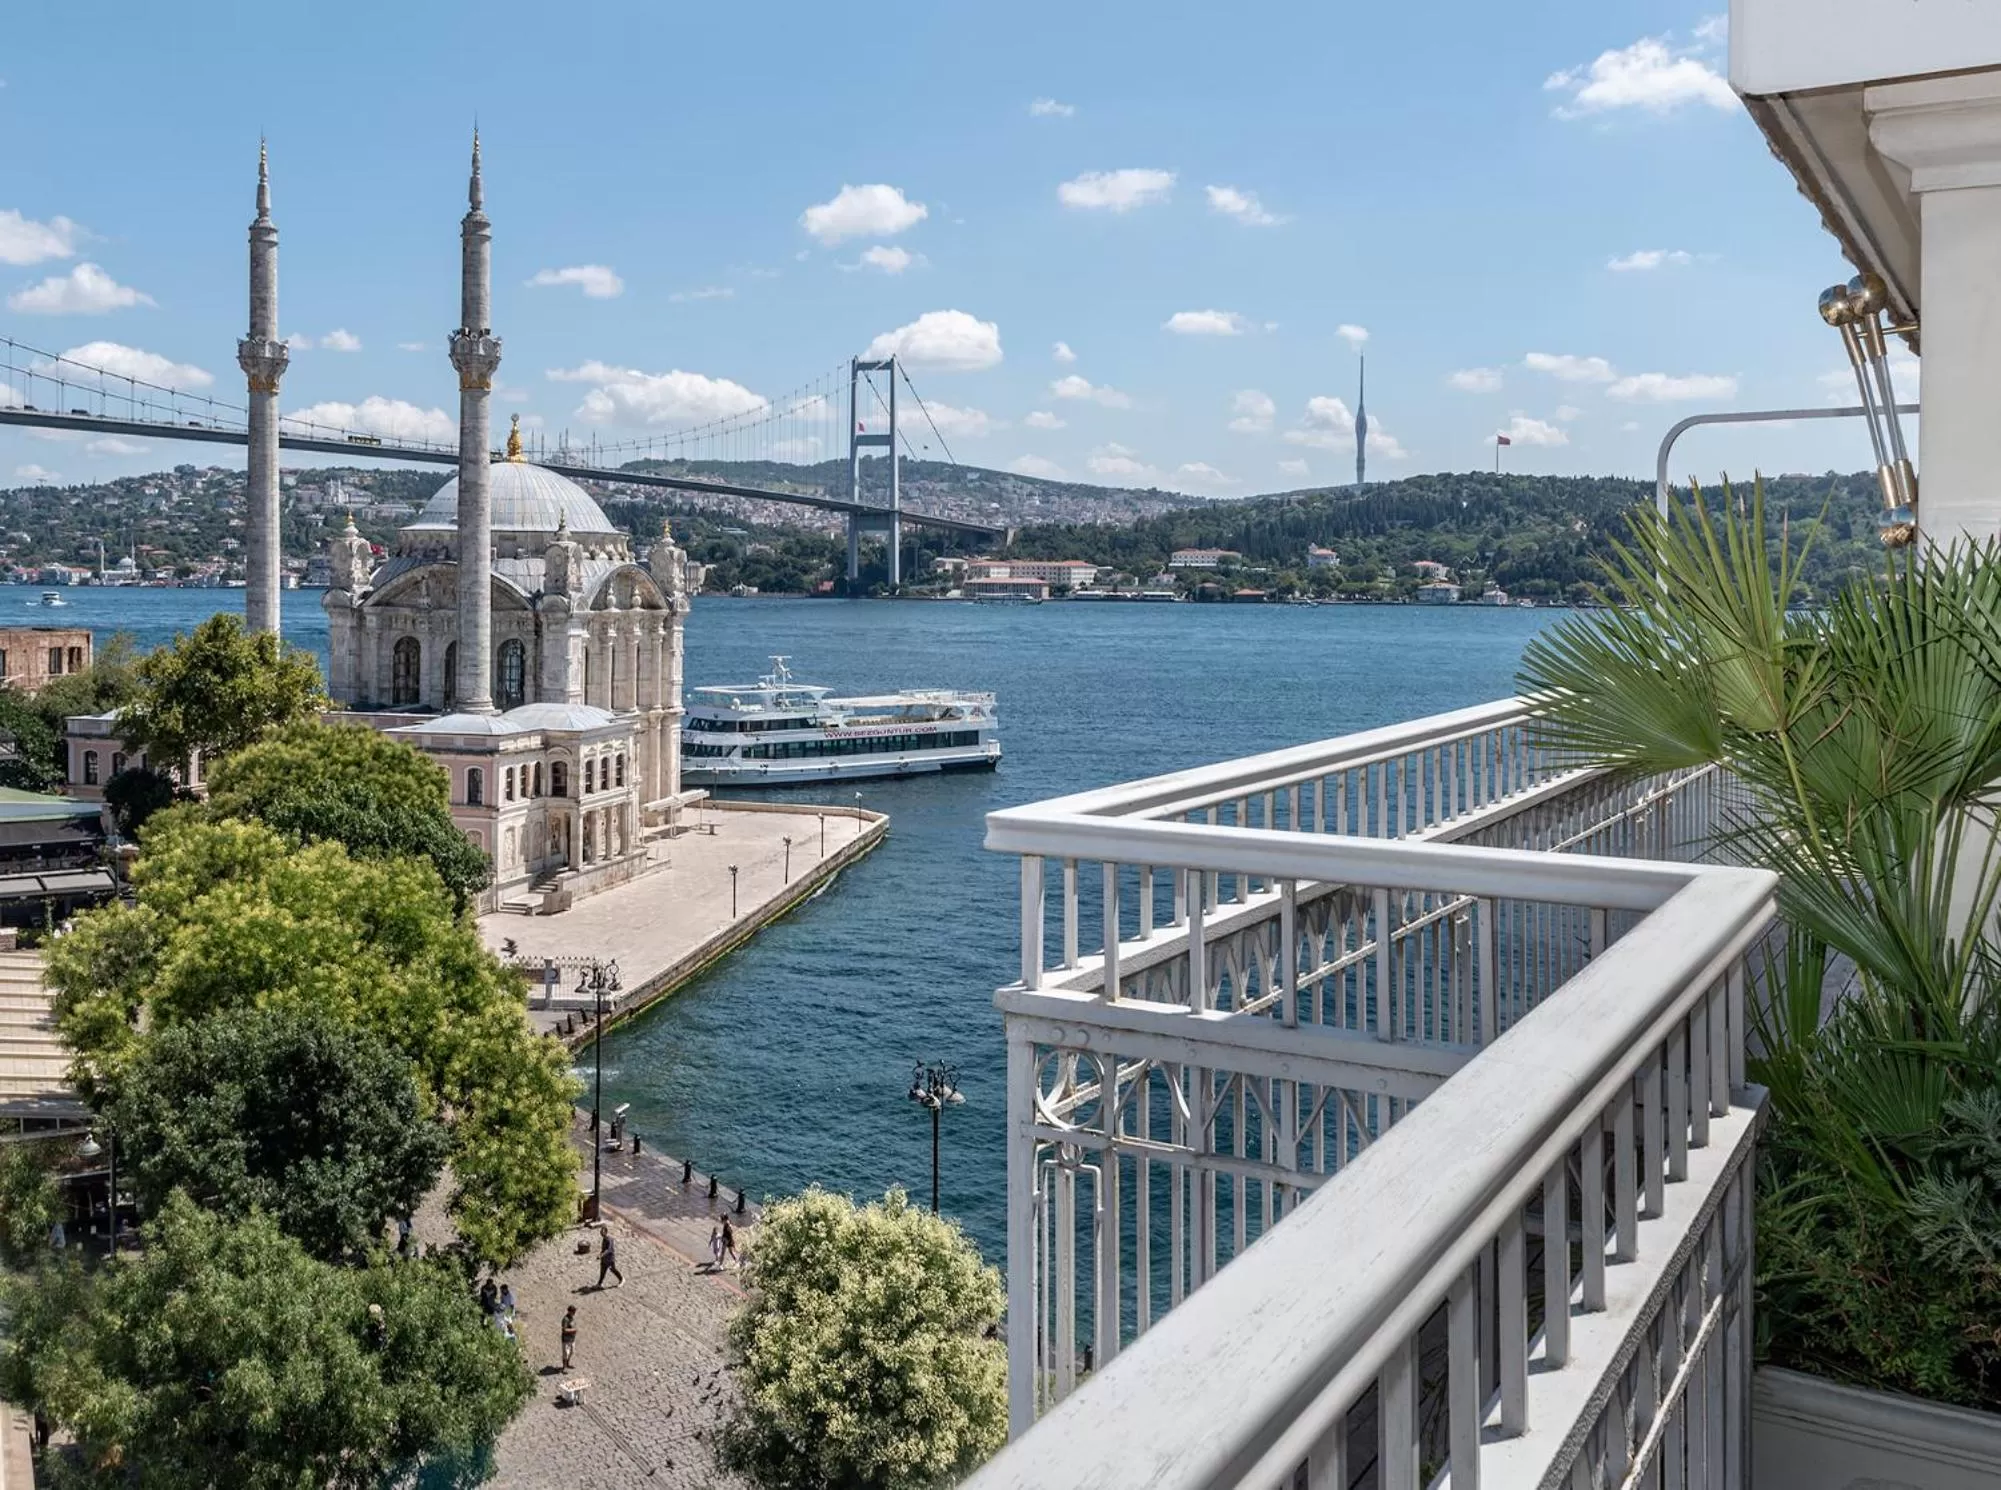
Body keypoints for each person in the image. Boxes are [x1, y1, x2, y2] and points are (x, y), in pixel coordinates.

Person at [595, 1223, 624, 1289]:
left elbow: (608, 1250)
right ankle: (599, 1284)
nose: (601, 1233)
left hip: (610, 1259)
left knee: (613, 1269)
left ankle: (621, 1279)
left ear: (606, 1231)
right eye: (601, 1231)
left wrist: (601, 1255)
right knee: (602, 1271)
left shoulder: (609, 1240)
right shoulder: (604, 1239)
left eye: (602, 1231)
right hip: (604, 1259)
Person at [561, 1305, 578, 1369]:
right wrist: (573, 1330)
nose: (574, 1313)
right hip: (566, 1339)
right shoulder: (565, 1319)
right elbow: (564, 1330)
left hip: (572, 1339)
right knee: (566, 1353)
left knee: (572, 1352)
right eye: (573, 1311)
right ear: (569, 1311)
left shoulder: (572, 1318)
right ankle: (564, 1367)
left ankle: (568, 1363)